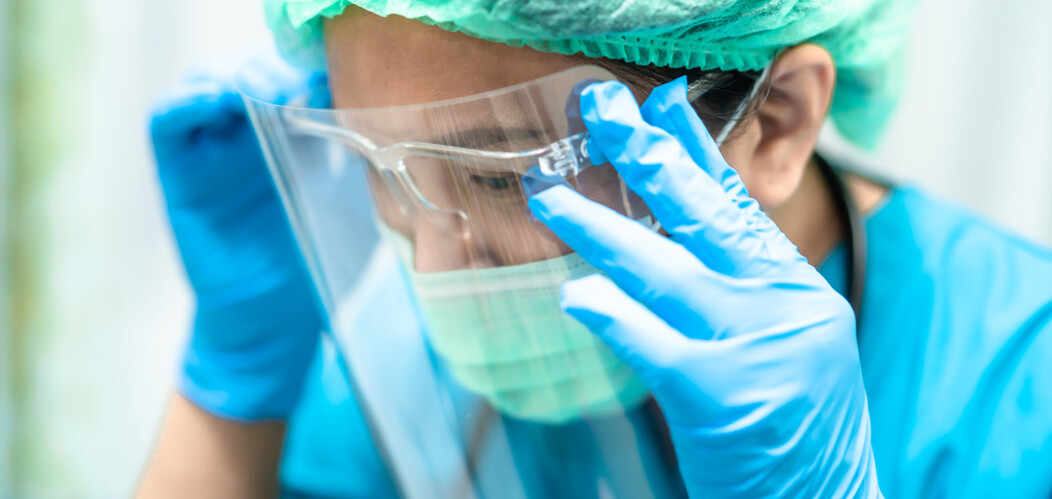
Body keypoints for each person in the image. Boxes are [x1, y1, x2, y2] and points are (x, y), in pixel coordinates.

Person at [138, 1, 1052, 498]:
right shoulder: (397, 359)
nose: (434, 266)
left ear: (775, 120)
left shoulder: (1019, 387)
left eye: (499, 178)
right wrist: (229, 393)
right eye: (382, 161)